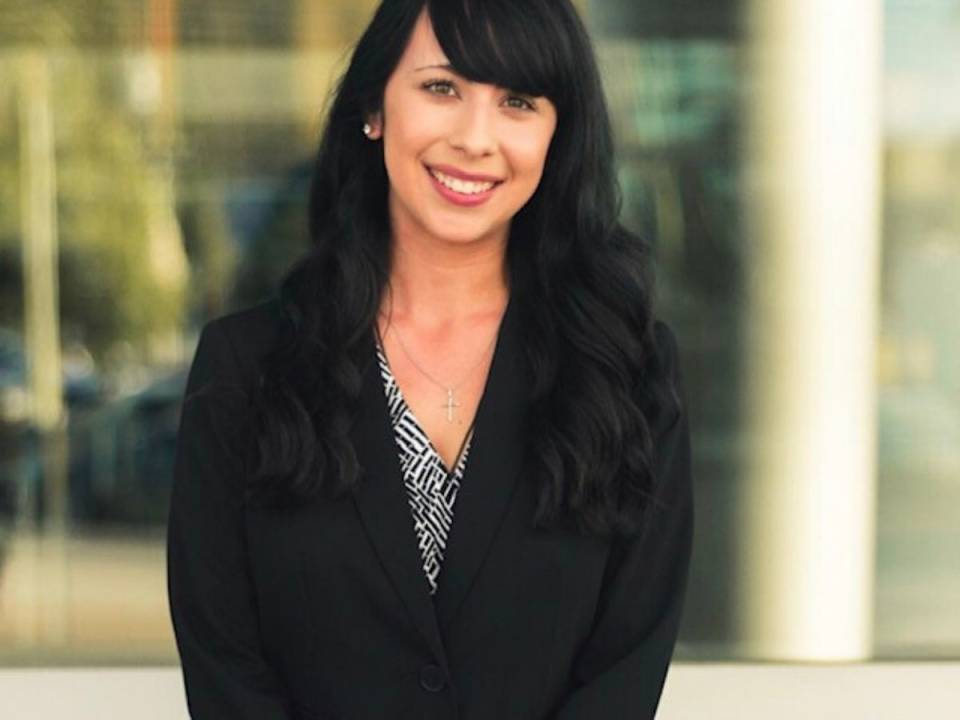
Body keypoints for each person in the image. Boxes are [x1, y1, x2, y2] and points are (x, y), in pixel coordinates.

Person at [166, 0, 694, 718]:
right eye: (442, 88)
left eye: (517, 101)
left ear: (556, 135)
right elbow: (226, 666)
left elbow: (625, 665)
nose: (476, 139)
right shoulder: (245, 368)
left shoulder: (627, 371)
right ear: (374, 107)